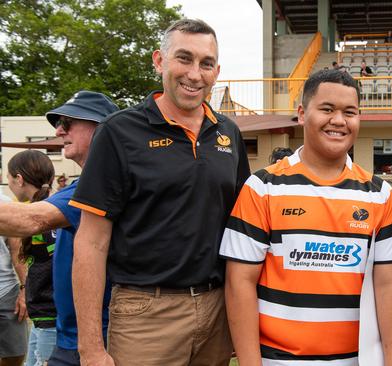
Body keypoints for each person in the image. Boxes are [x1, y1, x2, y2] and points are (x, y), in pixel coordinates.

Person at [70, 19, 250, 366]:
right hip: (145, 314)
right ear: (159, 61)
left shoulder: (228, 132)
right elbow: (90, 242)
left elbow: (241, 226)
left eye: (206, 63)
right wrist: (90, 348)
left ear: (217, 71)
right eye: (184, 58)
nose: (195, 74)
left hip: (217, 309)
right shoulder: (118, 132)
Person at [221, 69, 392, 365]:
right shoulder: (263, 187)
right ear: (301, 113)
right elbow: (239, 283)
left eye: (350, 112)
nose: (338, 120)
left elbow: (388, 287)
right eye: (327, 109)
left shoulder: (380, 194)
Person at [0, 90, 118, 366]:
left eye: (68, 122)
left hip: (90, 338)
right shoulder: (86, 183)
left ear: (102, 129)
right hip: (68, 331)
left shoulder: (100, 185)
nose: (59, 130)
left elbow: (27, 221)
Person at [6, 150, 58, 366]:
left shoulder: (45, 217)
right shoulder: (41, 210)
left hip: (51, 317)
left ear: (19, 179)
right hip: (40, 317)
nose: (7, 183)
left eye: (8, 178)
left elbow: (54, 265)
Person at [0, 199, 27, 366]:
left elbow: (18, 252)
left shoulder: (6, 203)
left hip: (6, 291)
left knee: (16, 355)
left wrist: (25, 290)